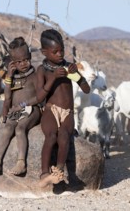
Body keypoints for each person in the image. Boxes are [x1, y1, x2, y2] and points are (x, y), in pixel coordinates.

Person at [35, 29, 90, 187]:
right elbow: (39, 97)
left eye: (62, 50)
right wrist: (52, 78)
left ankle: (58, 171)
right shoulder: (43, 70)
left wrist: (77, 75)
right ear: (44, 52)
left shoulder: (68, 69)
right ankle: (44, 174)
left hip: (67, 113)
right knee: (51, 136)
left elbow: (86, 89)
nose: (60, 54)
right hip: (51, 110)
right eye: (55, 51)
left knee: (64, 136)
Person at [0, 37, 41, 175]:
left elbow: (40, 96)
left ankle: (21, 162)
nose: (23, 64)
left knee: (20, 129)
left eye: (25, 60)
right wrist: (9, 76)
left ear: (29, 57)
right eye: (18, 62)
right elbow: (8, 97)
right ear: (12, 63)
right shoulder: (13, 78)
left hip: (31, 109)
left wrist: (24, 104)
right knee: (8, 128)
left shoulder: (34, 76)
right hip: (16, 111)